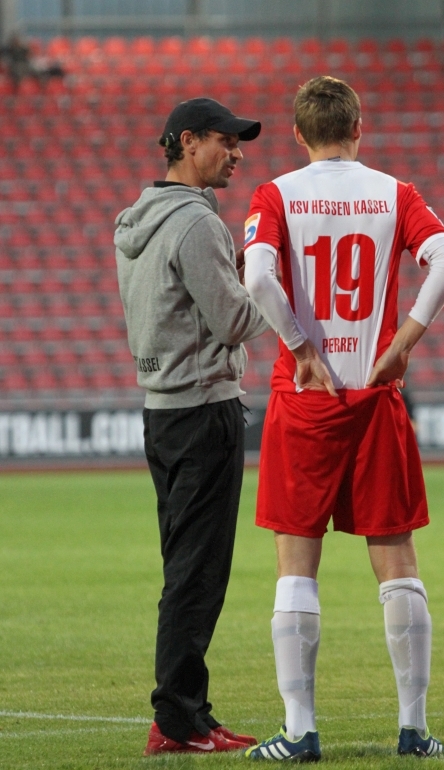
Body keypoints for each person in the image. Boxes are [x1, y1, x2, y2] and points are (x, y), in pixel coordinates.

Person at [242, 76, 444, 761]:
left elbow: (256, 276)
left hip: (304, 397)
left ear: (298, 134)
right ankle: (414, 730)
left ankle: (300, 731)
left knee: (296, 566)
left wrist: (303, 348)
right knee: (397, 562)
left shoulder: (276, 194)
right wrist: (403, 343)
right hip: (374, 392)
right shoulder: (395, 193)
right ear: (358, 128)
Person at [114, 98, 268, 755]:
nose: (237, 153)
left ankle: (190, 714)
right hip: (205, 410)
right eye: (225, 141)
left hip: (163, 410)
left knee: (186, 567)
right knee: (197, 574)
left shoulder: (138, 218)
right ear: (187, 142)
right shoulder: (198, 222)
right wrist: (271, 288)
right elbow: (235, 321)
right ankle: (177, 720)